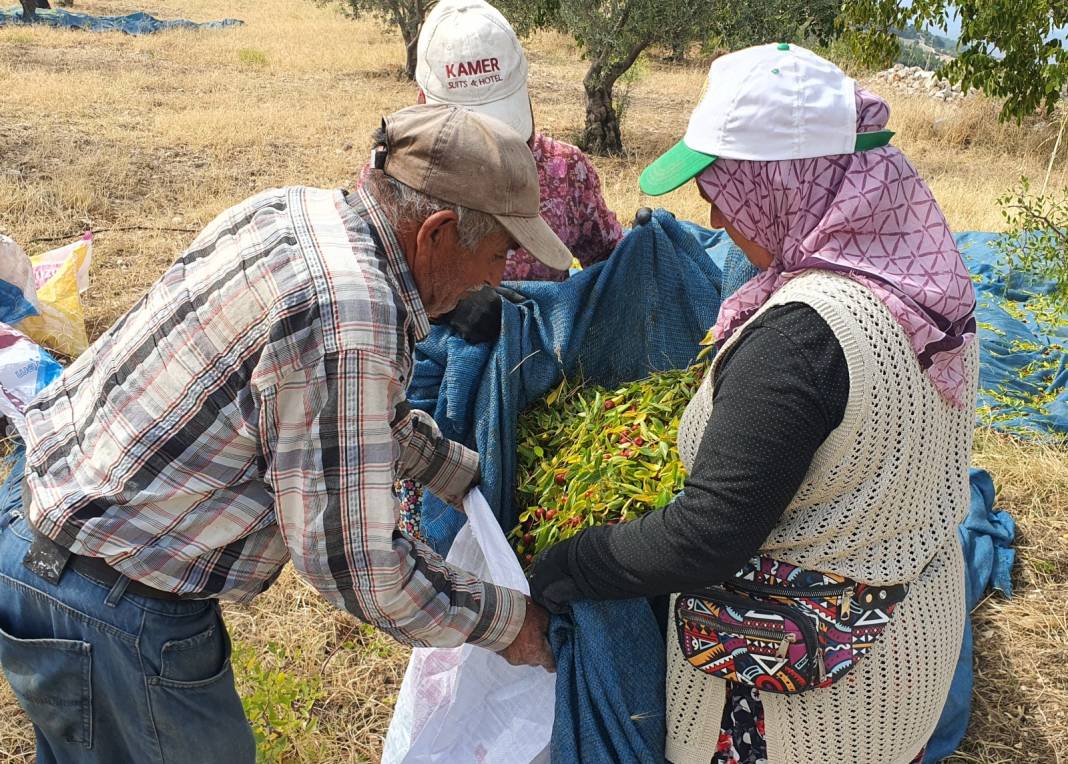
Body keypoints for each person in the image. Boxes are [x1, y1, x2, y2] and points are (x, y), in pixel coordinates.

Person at [0, 104, 564, 764]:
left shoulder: (296, 210)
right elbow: (357, 568)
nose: (495, 279)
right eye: (497, 254)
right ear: (438, 232)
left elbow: (336, 419)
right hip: (109, 601)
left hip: (35, 529)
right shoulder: (351, 315)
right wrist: (513, 626)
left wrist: (464, 475)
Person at [528, 44, 978, 764]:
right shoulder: (923, 278)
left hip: (799, 699)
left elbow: (705, 536)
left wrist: (571, 563)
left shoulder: (804, 335)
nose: (708, 207)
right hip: (906, 643)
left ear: (781, 183)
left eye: (721, 182)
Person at [414, 0, 623, 282]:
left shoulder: (565, 171)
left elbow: (611, 268)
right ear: (422, 104)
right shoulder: (399, 178)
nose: (490, 152)